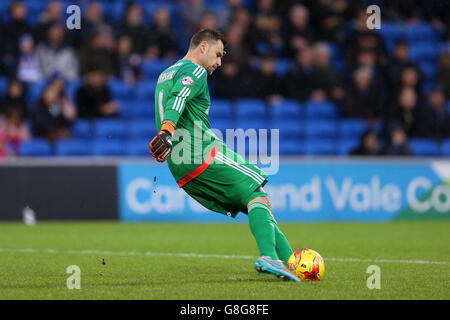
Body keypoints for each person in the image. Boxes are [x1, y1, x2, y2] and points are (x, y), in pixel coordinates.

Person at [148, 29, 300, 282]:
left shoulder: (166, 73)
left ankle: (290, 263)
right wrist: (166, 131)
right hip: (202, 153)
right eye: (218, 55)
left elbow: (172, 99)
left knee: (255, 202)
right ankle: (270, 257)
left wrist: (167, 135)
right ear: (203, 47)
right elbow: (179, 98)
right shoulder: (194, 70)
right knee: (257, 193)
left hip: (180, 166)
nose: (219, 62)